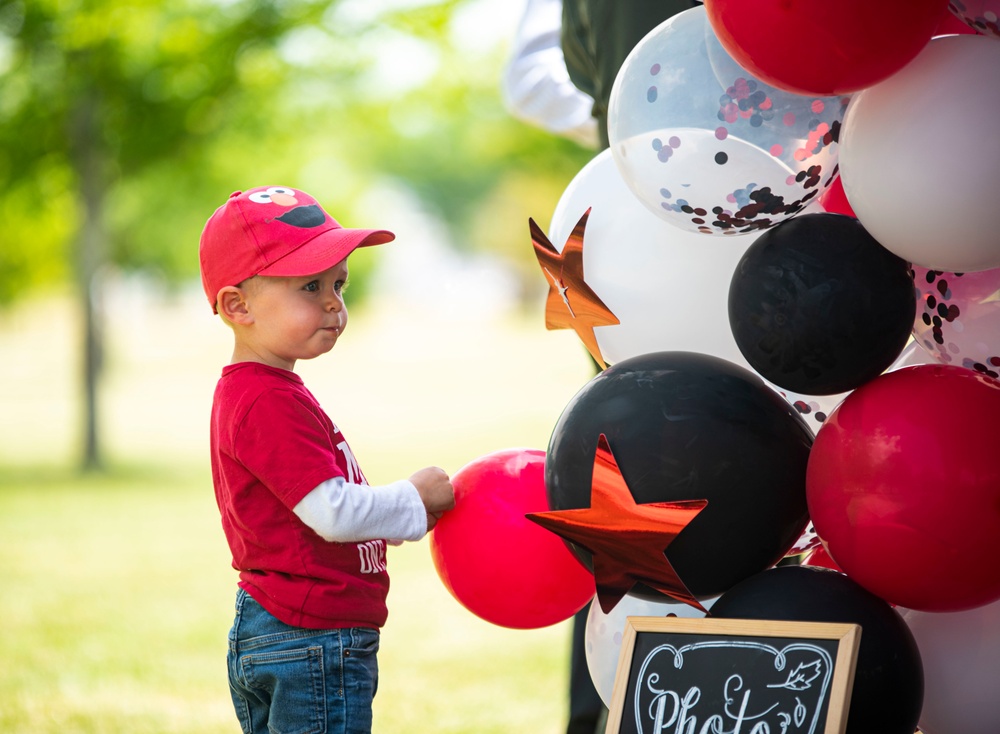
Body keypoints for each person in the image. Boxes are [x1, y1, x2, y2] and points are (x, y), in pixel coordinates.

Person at [199, 185, 456, 734]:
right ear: (237, 306)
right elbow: (331, 514)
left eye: (338, 283)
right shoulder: (266, 400)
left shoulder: (266, 390)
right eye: (310, 286)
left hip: (292, 629)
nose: (334, 302)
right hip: (308, 635)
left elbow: (302, 516)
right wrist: (412, 499)